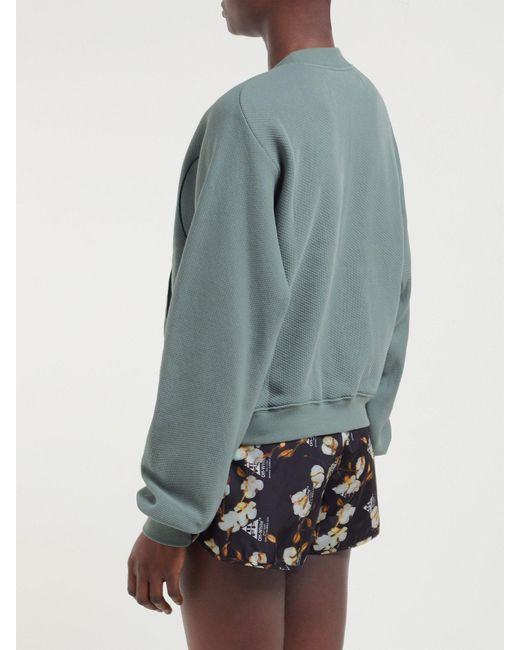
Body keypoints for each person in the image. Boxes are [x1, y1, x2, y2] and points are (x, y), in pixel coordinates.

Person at [127, 1, 412, 648]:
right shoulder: (368, 105)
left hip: (251, 458)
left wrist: (171, 512)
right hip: (341, 449)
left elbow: (218, 329)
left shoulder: (248, 116)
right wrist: (371, 415)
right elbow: (394, 276)